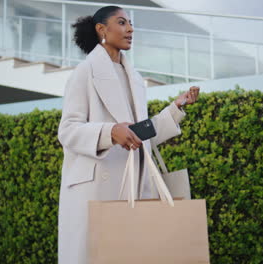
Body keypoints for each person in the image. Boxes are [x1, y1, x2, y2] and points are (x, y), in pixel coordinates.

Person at [57, 5, 200, 264]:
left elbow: (140, 133)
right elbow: (67, 131)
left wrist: (176, 108)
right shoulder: (84, 72)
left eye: (131, 23)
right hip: (96, 187)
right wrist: (110, 132)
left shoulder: (134, 78)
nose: (131, 29)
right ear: (102, 29)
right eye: (122, 23)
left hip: (134, 184)